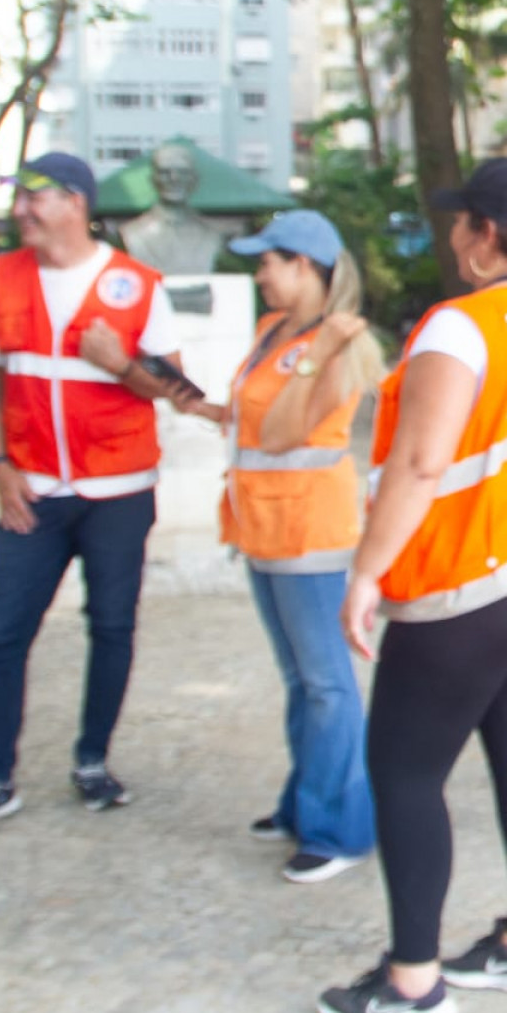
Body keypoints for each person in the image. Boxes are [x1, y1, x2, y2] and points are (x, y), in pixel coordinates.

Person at [315, 158, 507, 1013]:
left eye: (457, 223)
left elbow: (420, 462)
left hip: (470, 576)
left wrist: (366, 570)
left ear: (484, 234)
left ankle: (412, 981)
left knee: (404, 772)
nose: (450, 237)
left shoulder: (458, 327)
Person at [0, 152, 186, 836]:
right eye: (20, 199)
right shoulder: (3, 279)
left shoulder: (136, 284)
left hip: (119, 490)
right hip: (32, 492)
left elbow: (174, 388)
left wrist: (122, 365)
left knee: (111, 627)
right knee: (2, 634)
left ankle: (92, 762)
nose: (21, 210)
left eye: (34, 198)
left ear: (75, 202)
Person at [176, 211, 384, 884]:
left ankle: (340, 828)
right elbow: (252, 416)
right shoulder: (273, 330)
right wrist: (188, 400)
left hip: (308, 535)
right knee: (302, 680)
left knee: (328, 685)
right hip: (261, 527)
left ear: (307, 266)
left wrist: (320, 354)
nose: (260, 274)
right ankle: (303, 805)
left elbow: (285, 432)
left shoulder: (342, 343)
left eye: (269, 262)